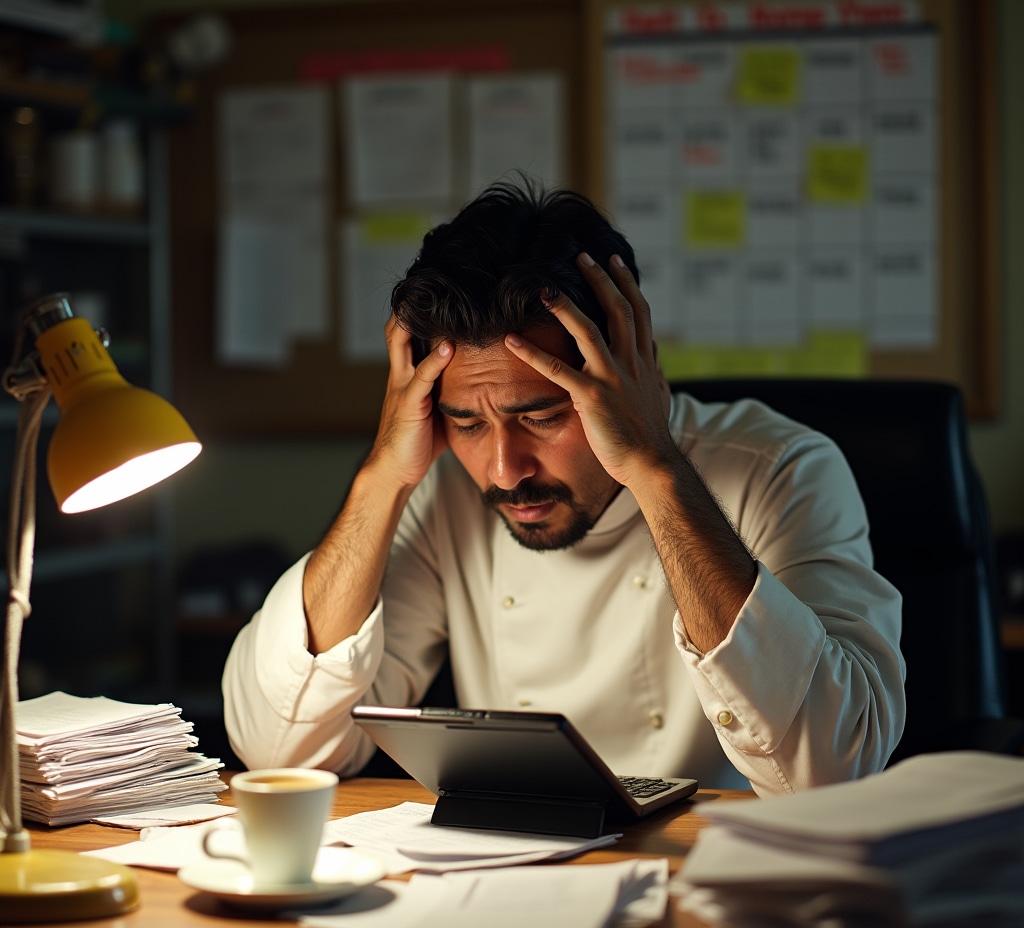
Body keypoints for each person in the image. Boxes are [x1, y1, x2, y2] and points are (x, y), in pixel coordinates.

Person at [222, 178, 905, 796]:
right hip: (515, 875)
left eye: (543, 416)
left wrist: (655, 468)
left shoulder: (782, 468)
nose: (503, 469)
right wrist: (381, 479)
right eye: (465, 422)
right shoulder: (443, 493)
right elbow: (282, 749)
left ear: (631, 371)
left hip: (721, 872)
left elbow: (831, 769)